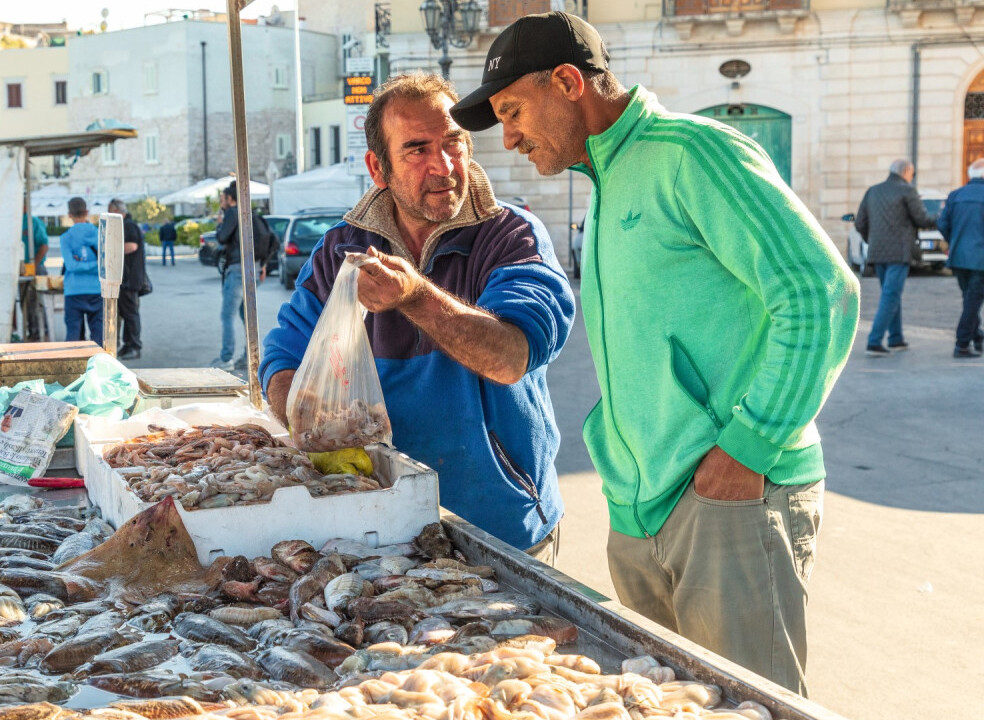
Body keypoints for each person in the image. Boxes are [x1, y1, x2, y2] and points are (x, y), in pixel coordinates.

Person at [449, 11, 858, 694]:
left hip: (728, 500)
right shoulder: (608, 179)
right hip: (643, 511)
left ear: (569, 81)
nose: (510, 136)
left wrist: (748, 449)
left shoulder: (689, 153)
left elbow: (821, 295)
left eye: (513, 111)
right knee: (666, 707)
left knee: (747, 707)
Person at [261, 72, 576, 564]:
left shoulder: (512, 237)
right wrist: (314, 431)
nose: (444, 166)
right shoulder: (338, 252)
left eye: (454, 143)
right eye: (417, 149)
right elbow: (282, 362)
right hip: (370, 530)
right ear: (377, 167)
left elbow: (513, 356)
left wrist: (413, 295)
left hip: (500, 530)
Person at [854, 159, 938, 356]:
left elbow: (860, 222)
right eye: (913, 174)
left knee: (891, 294)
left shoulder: (873, 191)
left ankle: (896, 338)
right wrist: (941, 217)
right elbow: (922, 219)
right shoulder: (907, 191)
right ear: (907, 172)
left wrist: (871, 239)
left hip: (878, 253)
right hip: (899, 253)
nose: (912, 178)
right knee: (890, 295)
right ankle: (874, 341)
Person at [213, 182, 274, 370]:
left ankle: (226, 359)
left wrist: (219, 225)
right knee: (246, 316)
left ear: (230, 199)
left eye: (222, 199)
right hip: (252, 268)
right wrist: (262, 264)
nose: (221, 202)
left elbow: (222, 237)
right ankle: (250, 358)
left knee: (227, 315)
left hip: (238, 270)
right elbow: (273, 240)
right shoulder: (251, 213)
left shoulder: (233, 212)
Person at [936, 158, 984, 358]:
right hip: (980, 258)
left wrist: (954, 240)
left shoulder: (955, 195)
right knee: (972, 301)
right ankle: (962, 343)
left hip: (958, 257)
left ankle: (977, 337)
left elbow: (942, 224)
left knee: (969, 299)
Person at [59, 197, 102, 344]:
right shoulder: (99, 234)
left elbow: (70, 266)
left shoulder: (66, 238)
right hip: (96, 289)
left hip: (73, 290)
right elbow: (104, 263)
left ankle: (73, 366)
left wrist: (81, 265)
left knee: (74, 336)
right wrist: (94, 264)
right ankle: (100, 364)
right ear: (87, 212)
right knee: (99, 336)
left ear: (69, 214)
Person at [109, 199, 148, 359]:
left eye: (110, 211)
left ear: (118, 211)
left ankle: (135, 346)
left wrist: (111, 250)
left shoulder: (128, 225)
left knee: (131, 314)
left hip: (130, 278)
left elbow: (132, 246)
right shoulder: (125, 225)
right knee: (126, 313)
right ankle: (128, 344)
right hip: (126, 278)